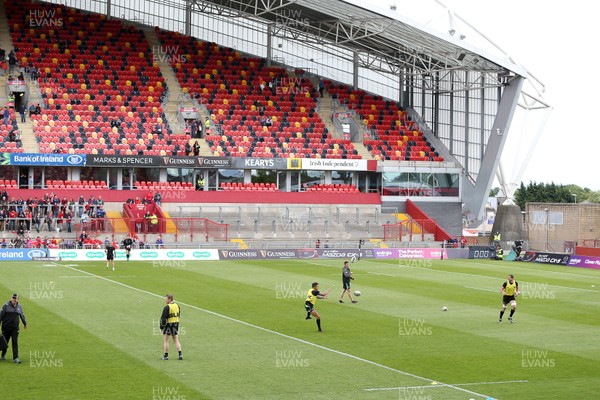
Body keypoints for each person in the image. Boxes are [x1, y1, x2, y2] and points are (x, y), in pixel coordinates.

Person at [0, 293, 27, 364]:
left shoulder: (19, 307)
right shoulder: (5, 306)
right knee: (5, 342)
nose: (14, 299)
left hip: (15, 328)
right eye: (13, 298)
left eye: (16, 298)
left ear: (18, 299)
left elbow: (22, 315)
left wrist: (25, 323)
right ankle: (3, 355)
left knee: (15, 342)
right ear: (11, 298)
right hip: (6, 327)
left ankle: (16, 358)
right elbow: (1, 316)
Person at [159, 294, 183, 360]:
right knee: (176, 340)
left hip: (169, 325)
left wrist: (161, 327)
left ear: (170, 299)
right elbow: (179, 315)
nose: (165, 300)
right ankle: (180, 355)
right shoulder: (177, 306)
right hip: (175, 324)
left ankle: (166, 356)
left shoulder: (167, 307)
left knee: (166, 341)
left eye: (166, 299)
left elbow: (163, 318)